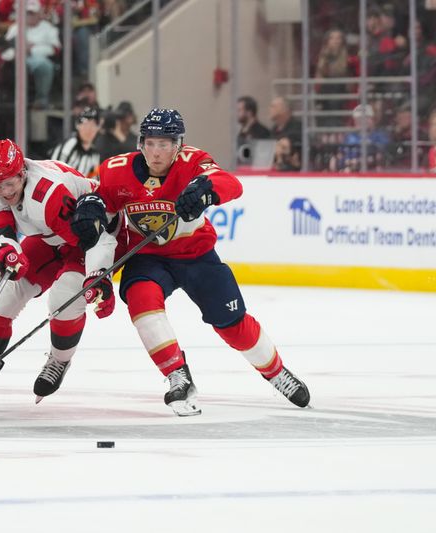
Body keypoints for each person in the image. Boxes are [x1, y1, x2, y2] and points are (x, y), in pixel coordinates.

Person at [71, 108, 310, 416]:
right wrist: (91, 212)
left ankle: (277, 373)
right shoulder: (116, 170)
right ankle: (177, 375)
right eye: (151, 143)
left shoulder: (194, 162)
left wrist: (208, 189)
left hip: (196, 256)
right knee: (141, 299)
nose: (157, 153)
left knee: (232, 325)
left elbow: (231, 184)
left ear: (179, 145)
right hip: (148, 258)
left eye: (166, 144)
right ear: (140, 143)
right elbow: (99, 212)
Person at [0, 138, 117, 407]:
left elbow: (97, 239)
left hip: (88, 238)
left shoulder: (50, 195)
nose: (4, 191)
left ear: (22, 172)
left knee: (63, 299)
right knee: (4, 297)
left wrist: (100, 277)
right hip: (49, 236)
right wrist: (5, 253)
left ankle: (59, 361)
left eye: (9, 182)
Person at [50, 106, 102, 178]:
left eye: (92, 125)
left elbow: (94, 179)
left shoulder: (95, 155)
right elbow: (54, 173)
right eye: (85, 125)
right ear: (77, 126)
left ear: (97, 128)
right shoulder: (69, 146)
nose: (88, 130)